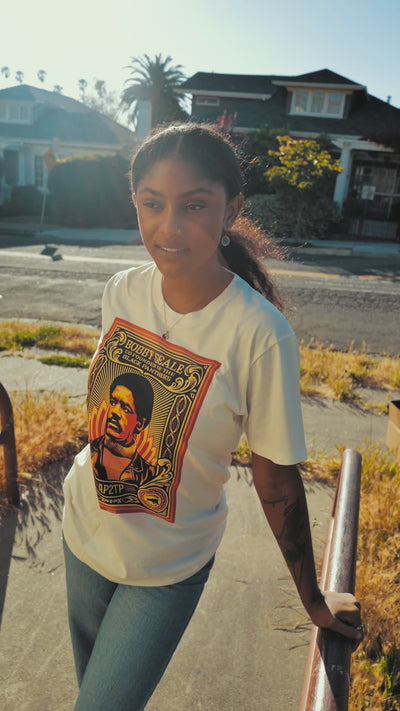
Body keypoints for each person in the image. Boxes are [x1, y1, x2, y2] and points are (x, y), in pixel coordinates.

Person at [62, 123, 363, 710]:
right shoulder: (121, 291)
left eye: (193, 205)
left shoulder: (259, 334)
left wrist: (315, 603)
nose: (168, 227)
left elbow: (276, 481)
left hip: (167, 568)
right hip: (84, 536)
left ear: (231, 210)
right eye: (152, 204)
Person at [91, 372, 156, 485]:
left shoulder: (148, 475)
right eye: (113, 402)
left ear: (140, 424)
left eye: (126, 409)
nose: (114, 412)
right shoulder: (90, 451)